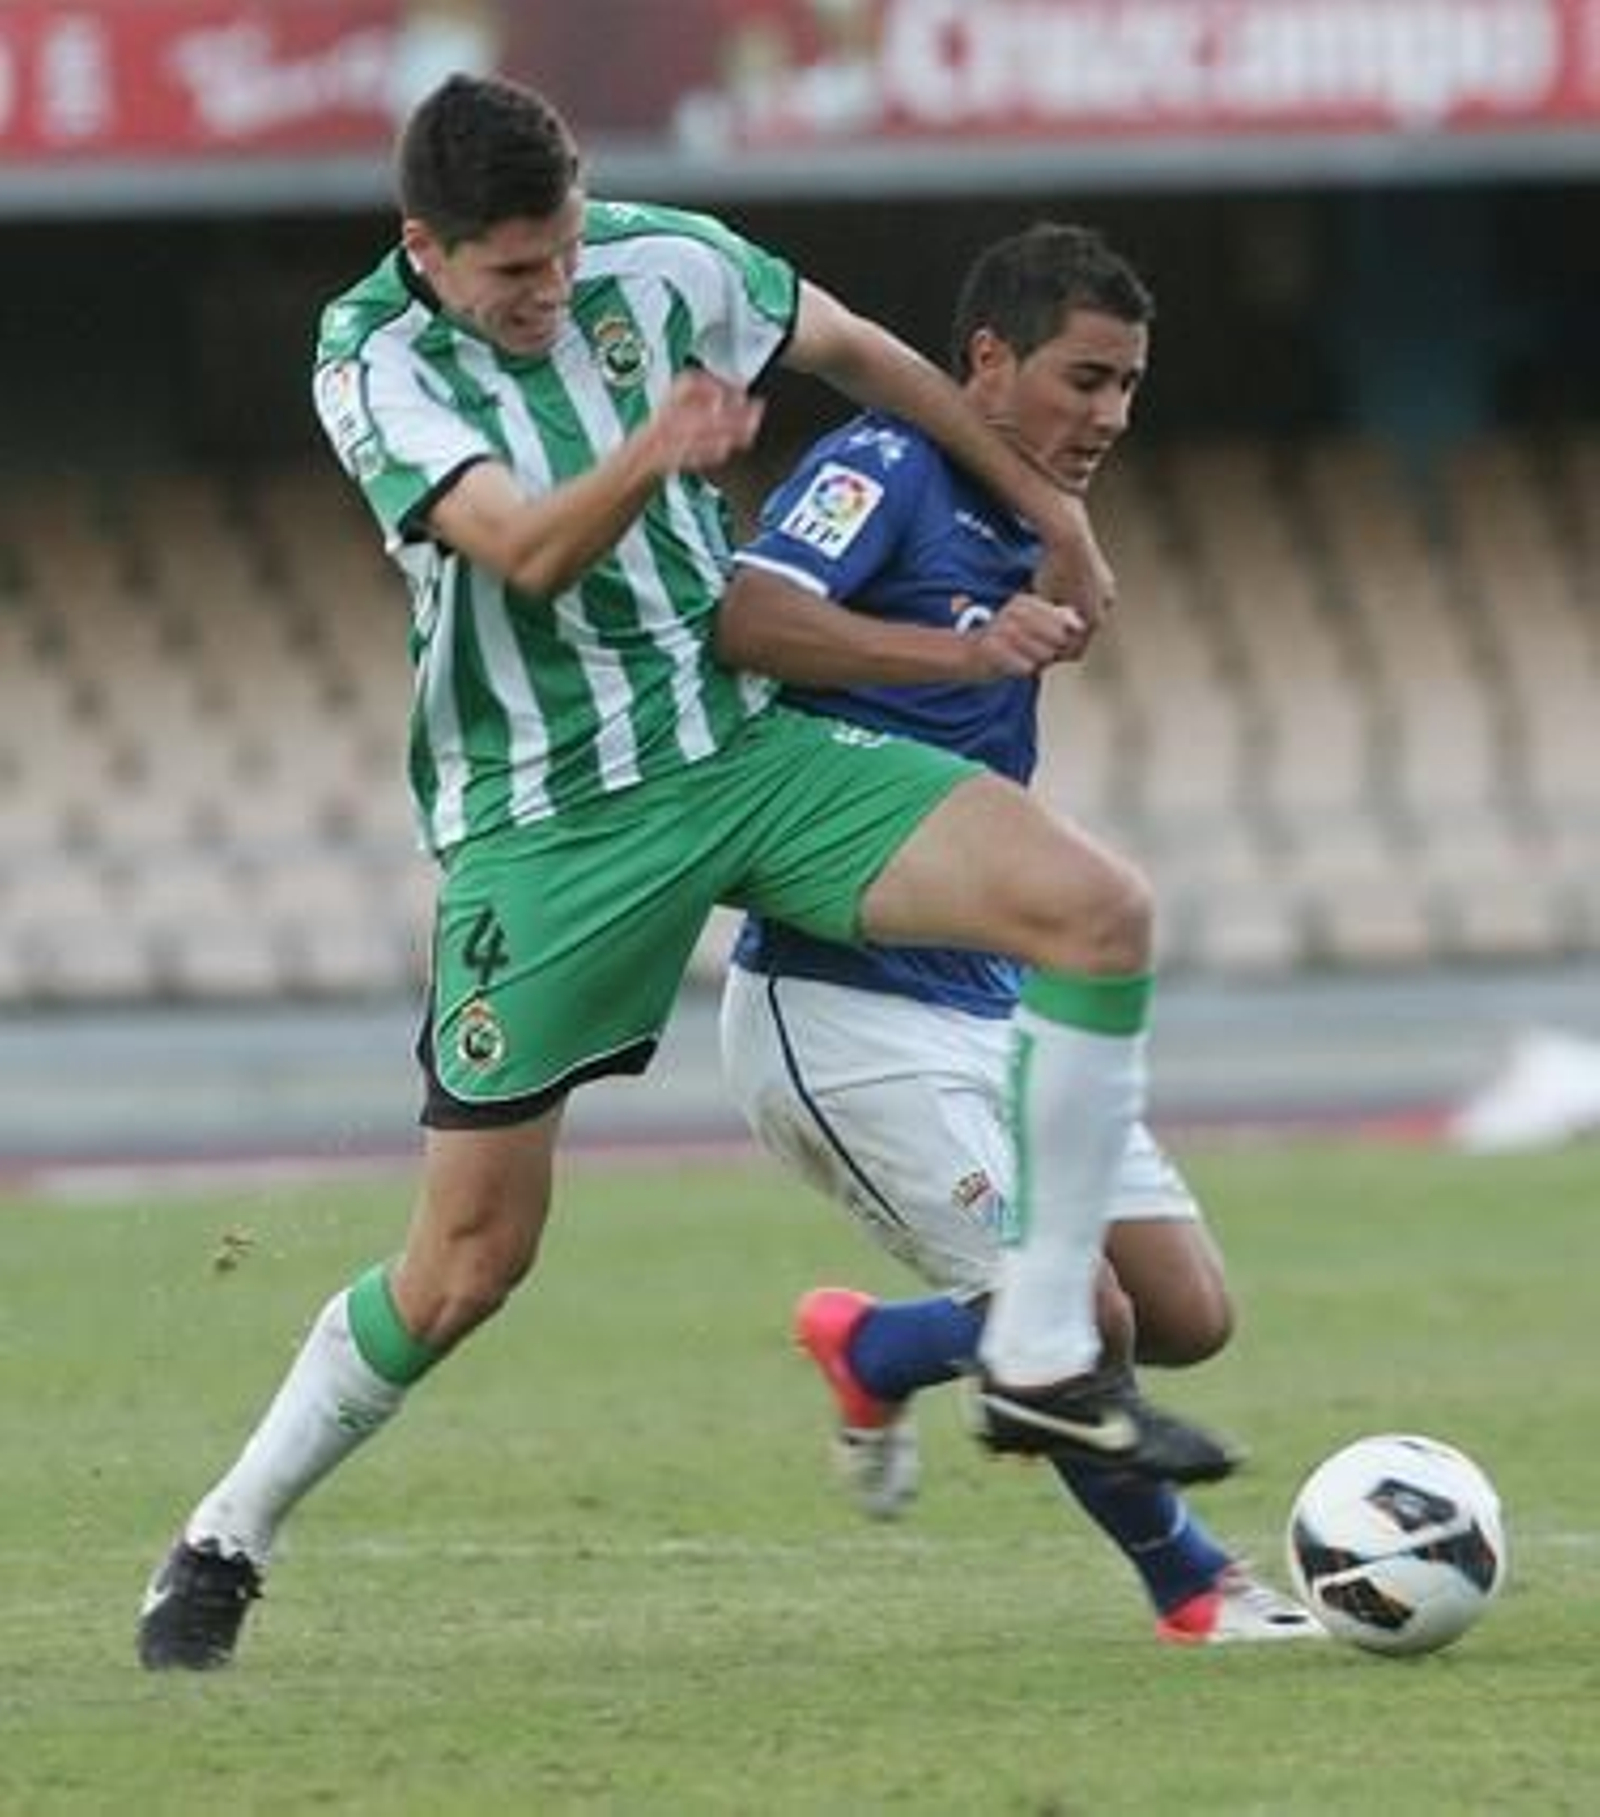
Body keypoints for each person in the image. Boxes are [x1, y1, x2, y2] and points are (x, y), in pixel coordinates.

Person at [136, 73, 1234, 1672]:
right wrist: (659, 445)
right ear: (426, 250)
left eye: (565, 253)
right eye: (515, 273)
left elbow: (868, 358)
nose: (551, 293)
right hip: (552, 820)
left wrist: (1044, 504)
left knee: (1097, 908)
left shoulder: (664, 258)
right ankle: (227, 1533)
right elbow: (521, 548)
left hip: (741, 754)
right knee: (468, 1264)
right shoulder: (372, 363)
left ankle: (1049, 1341)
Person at [716, 223, 1314, 1642]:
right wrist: (965, 647)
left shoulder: (1029, 512)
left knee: (1186, 1312)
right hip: (839, 1007)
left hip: (992, 997)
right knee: (1086, 1321)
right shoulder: (889, 466)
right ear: (986, 358)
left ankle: (872, 1343)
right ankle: (1197, 1588)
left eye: (1127, 386)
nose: (1108, 415)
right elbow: (750, 616)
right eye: (1084, 378)